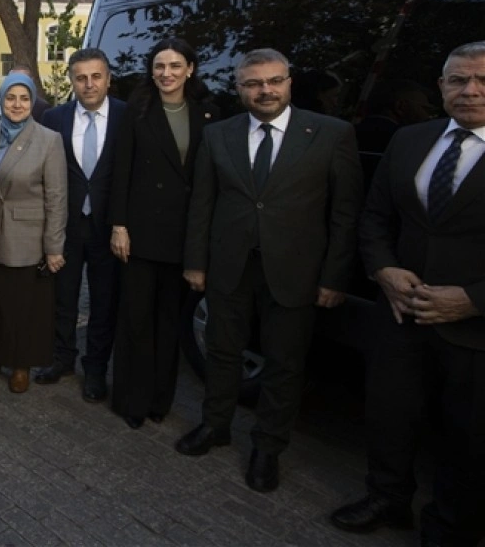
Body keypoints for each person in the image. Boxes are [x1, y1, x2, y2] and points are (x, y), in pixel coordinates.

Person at [177, 48, 362, 493]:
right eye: (254, 83)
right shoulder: (219, 135)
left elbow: (345, 213)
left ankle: (267, 447)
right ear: (240, 89)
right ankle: (215, 425)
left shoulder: (332, 134)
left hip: (295, 271)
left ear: (289, 83)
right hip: (229, 266)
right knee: (222, 351)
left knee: (284, 364)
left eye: (274, 81)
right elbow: (202, 203)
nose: (265, 91)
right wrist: (196, 263)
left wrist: (335, 277)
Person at [330, 42, 485, 546]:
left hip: (473, 328)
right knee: (389, 414)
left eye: (481, 80)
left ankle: (450, 526)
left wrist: (473, 299)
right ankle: (387, 497)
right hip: (399, 314)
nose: (471, 90)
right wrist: (384, 269)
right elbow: (374, 217)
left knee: (467, 436)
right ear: (440, 88)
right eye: (458, 80)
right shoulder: (410, 140)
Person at [107, 39, 219, 428]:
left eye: (174, 66)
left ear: (190, 69)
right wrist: (118, 225)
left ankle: (160, 400)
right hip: (139, 234)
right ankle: (131, 401)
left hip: (185, 234)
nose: (166, 74)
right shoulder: (137, 111)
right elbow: (121, 171)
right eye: (159, 66)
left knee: (170, 321)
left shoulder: (207, 114)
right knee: (136, 319)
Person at [0, 73, 67, 393]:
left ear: (33, 101)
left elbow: (57, 197)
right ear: (2, 99)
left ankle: (21, 364)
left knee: (21, 305)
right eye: (11, 98)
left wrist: (54, 247)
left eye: (24, 98)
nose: (17, 104)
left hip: (26, 237)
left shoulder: (48, 140)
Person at [35, 48, 125, 400]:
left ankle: (96, 370)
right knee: (63, 298)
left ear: (108, 79)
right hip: (67, 226)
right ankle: (62, 359)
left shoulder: (126, 116)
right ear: (71, 80)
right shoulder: (55, 119)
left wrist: (124, 223)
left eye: (96, 76)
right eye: (81, 78)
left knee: (104, 303)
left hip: (109, 229)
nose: (88, 84)